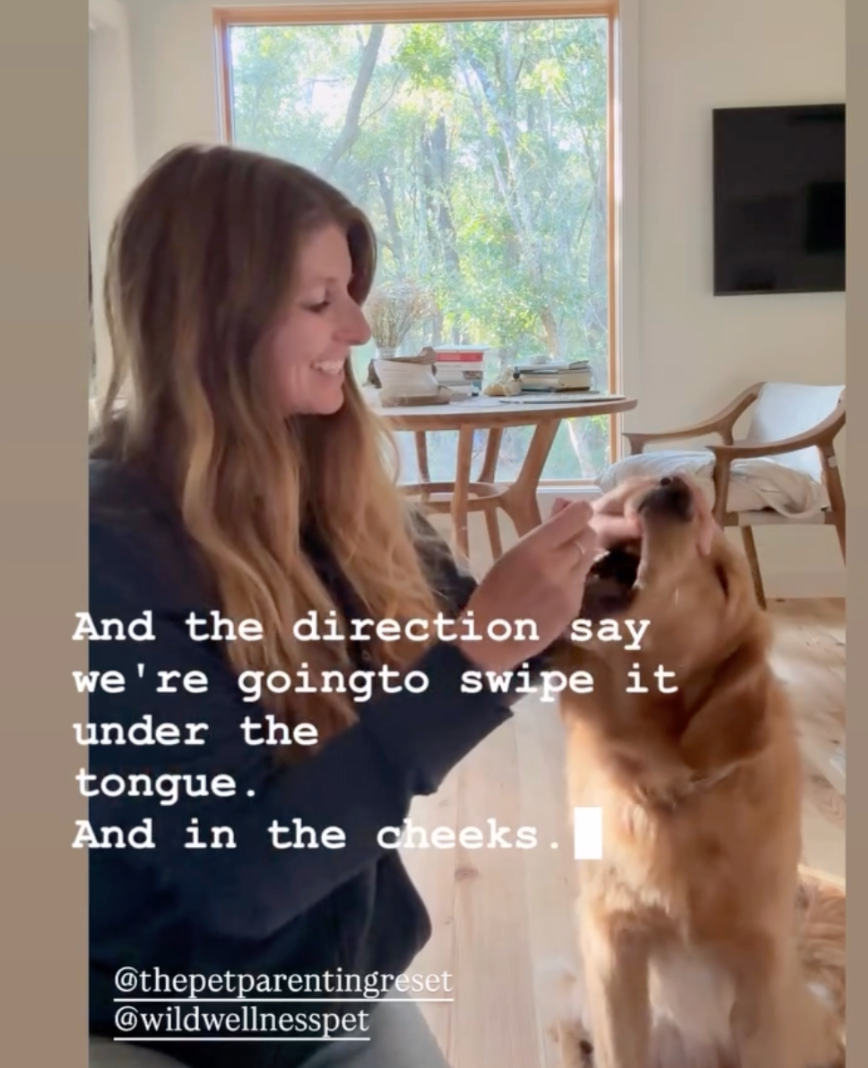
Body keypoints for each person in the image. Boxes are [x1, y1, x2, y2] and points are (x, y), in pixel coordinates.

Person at [86, 143, 717, 1068]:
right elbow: (240, 880)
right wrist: (480, 654)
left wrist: (614, 565)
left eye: (351, 291)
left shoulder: (322, 486)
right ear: (209, 324)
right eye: (320, 301)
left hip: (331, 987)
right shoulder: (102, 550)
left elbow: (482, 633)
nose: (359, 326)